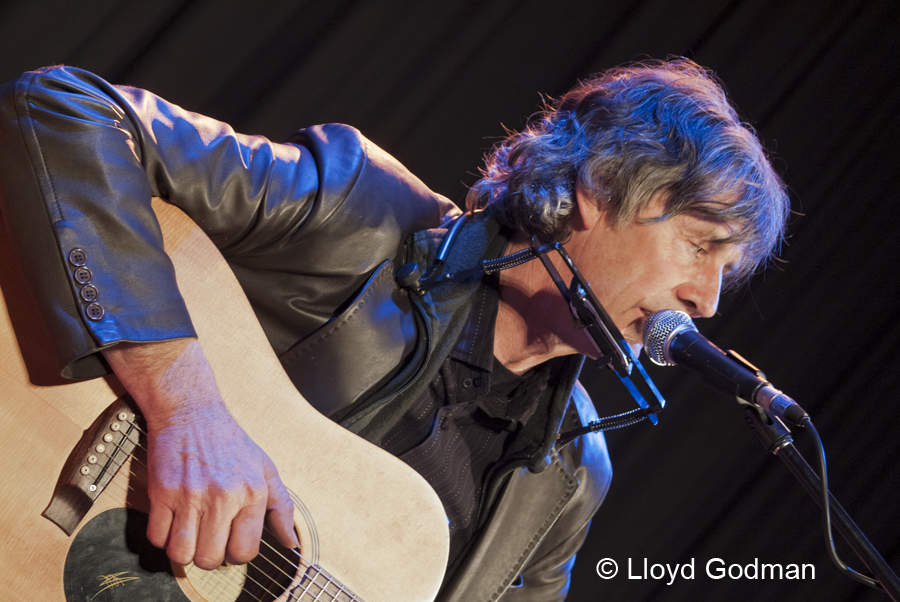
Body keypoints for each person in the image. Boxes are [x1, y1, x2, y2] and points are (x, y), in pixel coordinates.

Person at [0, 57, 788, 600]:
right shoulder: (359, 214)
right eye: (699, 246)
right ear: (599, 187)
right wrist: (187, 408)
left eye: (728, 272)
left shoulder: (569, 477)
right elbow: (61, 111)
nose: (708, 299)